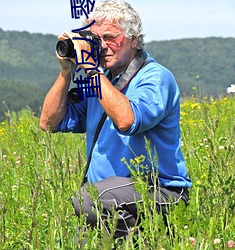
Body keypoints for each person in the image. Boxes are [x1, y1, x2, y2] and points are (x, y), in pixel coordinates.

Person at [40, 0, 192, 243]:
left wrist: (91, 69)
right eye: (96, 38)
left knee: (87, 200)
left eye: (110, 37)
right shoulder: (101, 81)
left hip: (159, 191)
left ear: (133, 39)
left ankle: (146, 242)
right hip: (110, 199)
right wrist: (66, 70)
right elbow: (49, 123)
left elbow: (127, 120)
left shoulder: (154, 77)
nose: (102, 46)